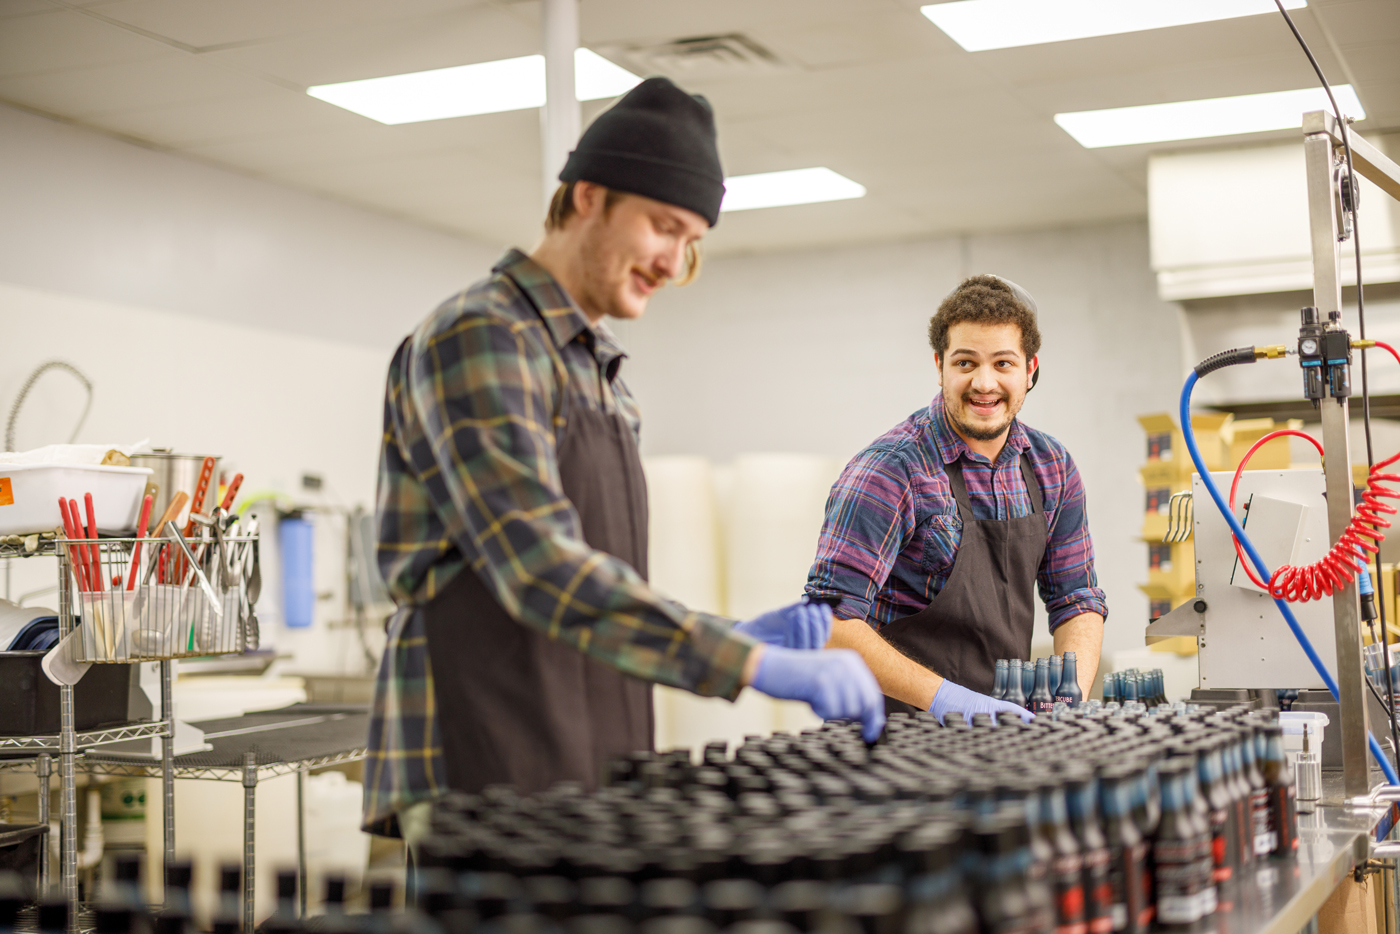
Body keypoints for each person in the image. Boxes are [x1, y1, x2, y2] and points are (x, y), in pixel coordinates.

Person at [363, 77, 884, 840]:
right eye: (664, 227)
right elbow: (536, 564)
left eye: (692, 242)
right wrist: (746, 667)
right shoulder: (480, 337)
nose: (674, 263)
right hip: (481, 735)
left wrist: (733, 634)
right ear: (588, 198)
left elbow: (597, 573)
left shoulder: (601, 374)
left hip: (588, 728)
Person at [805, 275, 1106, 724]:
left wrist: (1066, 698)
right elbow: (829, 623)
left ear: (1030, 369)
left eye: (1003, 363)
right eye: (966, 363)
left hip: (1000, 733)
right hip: (892, 739)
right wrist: (951, 702)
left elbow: (1076, 598)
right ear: (940, 365)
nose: (984, 383)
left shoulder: (1052, 467)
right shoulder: (891, 470)